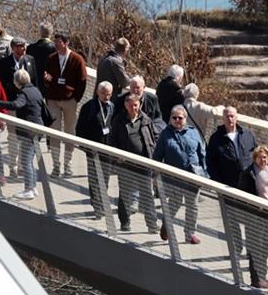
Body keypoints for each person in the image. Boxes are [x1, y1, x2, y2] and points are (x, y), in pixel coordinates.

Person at [152, 104, 207, 244]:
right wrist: (155, 174)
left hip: (193, 175)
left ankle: (190, 234)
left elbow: (202, 154)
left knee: (192, 205)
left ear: (185, 119)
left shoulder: (193, 132)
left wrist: (205, 174)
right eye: (174, 117)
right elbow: (157, 155)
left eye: (180, 118)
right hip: (173, 176)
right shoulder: (165, 134)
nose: (177, 120)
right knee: (175, 203)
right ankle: (167, 224)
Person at [109, 93, 159, 233]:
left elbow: (154, 137)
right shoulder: (119, 120)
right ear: (126, 105)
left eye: (135, 105)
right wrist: (116, 156)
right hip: (125, 164)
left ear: (140, 105)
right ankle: (125, 223)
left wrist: (153, 156)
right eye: (130, 105)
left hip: (143, 164)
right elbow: (112, 140)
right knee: (125, 194)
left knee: (147, 194)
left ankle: (152, 225)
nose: (133, 108)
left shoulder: (146, 119)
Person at [0, 69, 44, 201]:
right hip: (38, 129)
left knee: (25, 161)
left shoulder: (24, 93)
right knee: (29, 160)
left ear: (17, 82)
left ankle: (28, 190)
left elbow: (16, 104)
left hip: (29, 131)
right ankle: (32, 187)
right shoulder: (35, 90)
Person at [42, 31, 87, 176]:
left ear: (66, 42)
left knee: (69, 133)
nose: (55, 44)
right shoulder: (50, 58)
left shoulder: (77, 59)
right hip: (53, 100)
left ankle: (68, 164)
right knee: (54, 132)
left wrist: (75, 99)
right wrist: (47, 81)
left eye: (58, 42)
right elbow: (46, 77)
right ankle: (56, 165)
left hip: (69, 101)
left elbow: (82, 81)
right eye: (55, 42)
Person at [237, 145, 268, 289]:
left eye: (265, 157)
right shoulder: (249, 173)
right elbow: (243, 194)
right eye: (260, 157)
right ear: (255, 158)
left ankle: (263, 276)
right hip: (254, 215)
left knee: (264, 246)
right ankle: (255, 279)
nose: (262, 160)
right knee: (255, 247)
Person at [0, 36, 37, 177]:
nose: (24, 48)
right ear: (13, 48)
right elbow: (1, 85)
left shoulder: (30, 60)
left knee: (26, 137)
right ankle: (12, 166)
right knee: (13, 137)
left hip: (27, 107)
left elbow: (35, 83)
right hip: (13, 104)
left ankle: (22, 166)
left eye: (24, 46)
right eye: (20, 46)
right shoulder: (3, 63)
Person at [75, 81, 115, 217]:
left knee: (105, 178)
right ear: (98, 92)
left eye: (109, 94)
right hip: (93, 148)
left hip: (108, 149)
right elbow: (80, 128)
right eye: (103, 93)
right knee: (94, 178)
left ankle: (103, 202)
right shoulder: (88, 107)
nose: (106, 96)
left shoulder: (112, 106)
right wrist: (84, 145)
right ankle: (97, 206)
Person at [26, 22, 55, 89]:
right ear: (51, 33)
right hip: (48, 82)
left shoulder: (30, 48)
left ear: (40, 32)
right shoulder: (54, 49)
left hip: (32, 81)